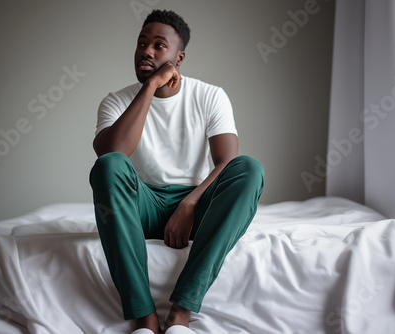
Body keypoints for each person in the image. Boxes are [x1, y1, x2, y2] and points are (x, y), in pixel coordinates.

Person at [89, 9, 264, 334]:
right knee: (109, 166)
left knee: (249, 169)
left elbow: (227, 161)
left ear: (178, 57)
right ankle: (145, 318)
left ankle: (181, 312)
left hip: (197, 208)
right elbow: (113, 154)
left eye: (158, 45)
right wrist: (152, 85)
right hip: (144, 206)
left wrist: (190, 204)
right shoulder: (116, 102)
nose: (146, 51)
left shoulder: (210, 95)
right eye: (142, 44)